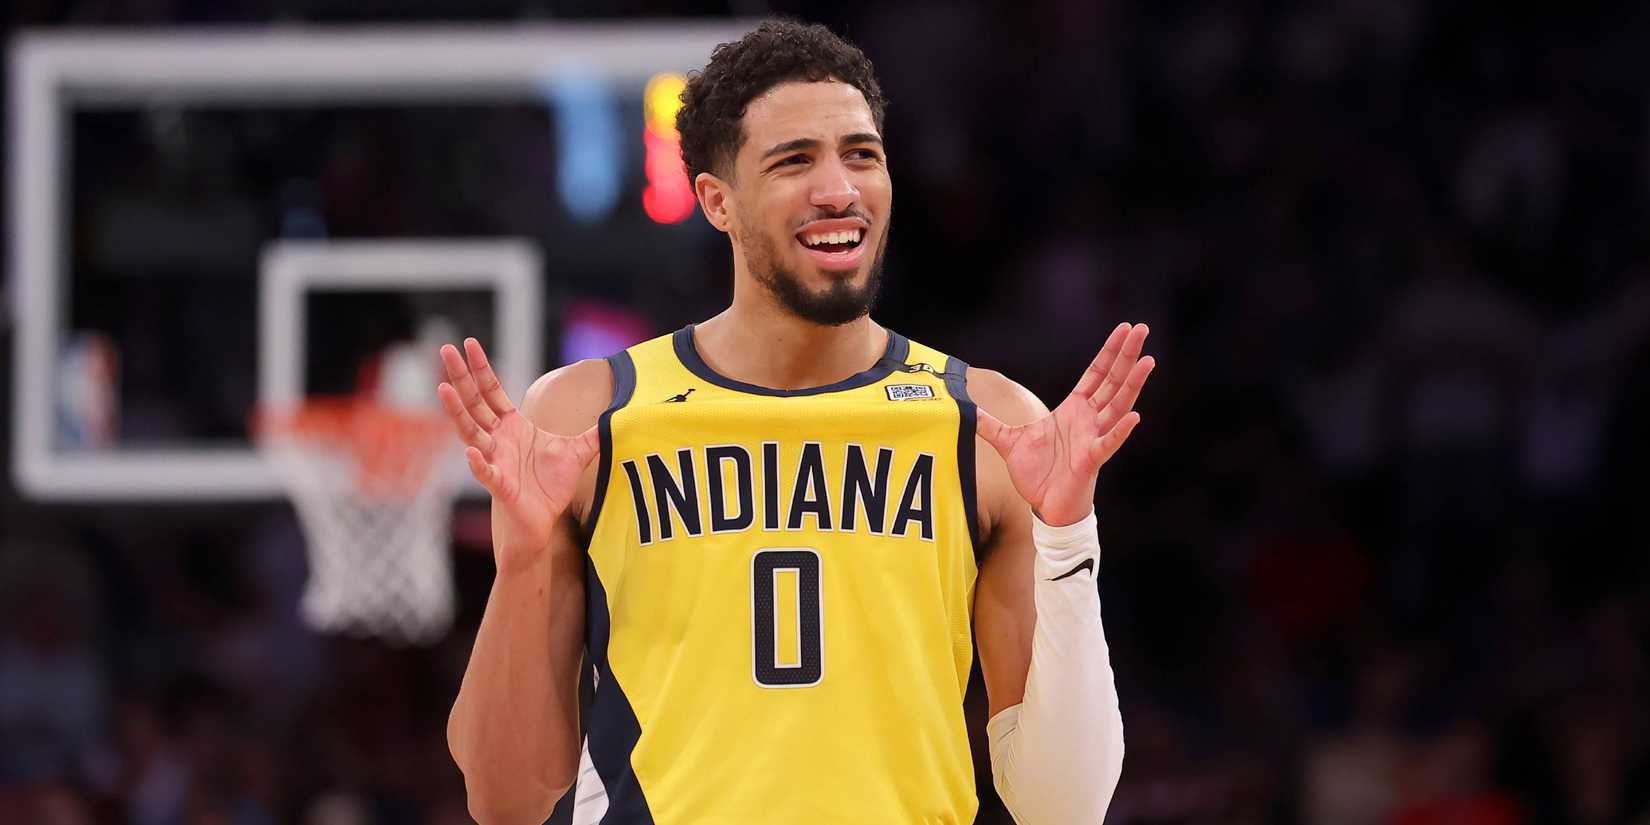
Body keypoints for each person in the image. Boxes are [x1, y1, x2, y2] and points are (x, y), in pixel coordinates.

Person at [440, 20, 1152, 825]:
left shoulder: (986, 428)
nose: (839, 189)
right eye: (794, 160)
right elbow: (505, 799)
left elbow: (1064, 808)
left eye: (861, 154)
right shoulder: (590, 419)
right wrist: (525, 561)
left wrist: (1068, 538)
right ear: (717, 201)